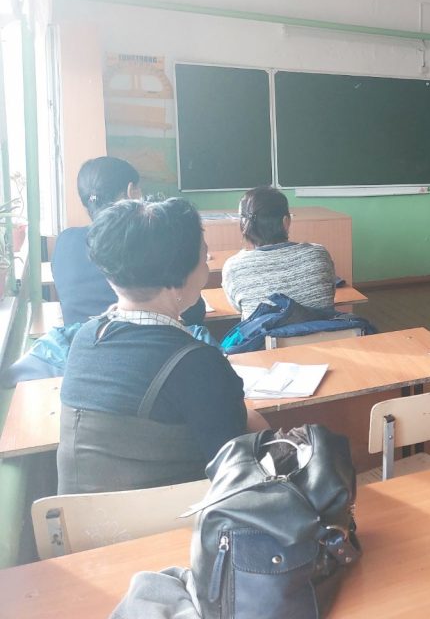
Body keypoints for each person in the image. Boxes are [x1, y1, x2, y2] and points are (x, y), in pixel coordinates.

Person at [58, 198, 268, 493]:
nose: (206, 264)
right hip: (171, 518)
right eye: (203, 256)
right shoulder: (199, 364)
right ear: (179, 276)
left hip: (81, 519)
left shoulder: (86, 338)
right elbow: (241, 474)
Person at [52, 157, 205, 326]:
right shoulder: (141, 241)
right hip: (147, 338)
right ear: (132, 192)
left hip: (81, 340)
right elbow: (192, 310)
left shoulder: (64, 241)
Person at [222, 186, 337, 319]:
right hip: (327, 332)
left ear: (243, 225)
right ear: (286, 222)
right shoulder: (319, 254)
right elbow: (330, 293)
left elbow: (238, 307)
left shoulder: (233, 267)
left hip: (264, 333)